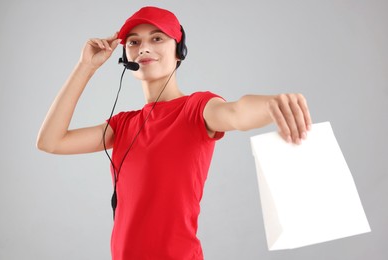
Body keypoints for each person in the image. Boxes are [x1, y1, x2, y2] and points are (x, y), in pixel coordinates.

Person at [37, 6, 312, 260]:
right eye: (134, 42)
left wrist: (272, 105)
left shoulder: (196, 109)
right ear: (125, 57)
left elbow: (237, 113)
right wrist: (86, 67)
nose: (144, 47)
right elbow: (51, 141)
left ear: (179, 50)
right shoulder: (122, 126)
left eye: (157, 38)